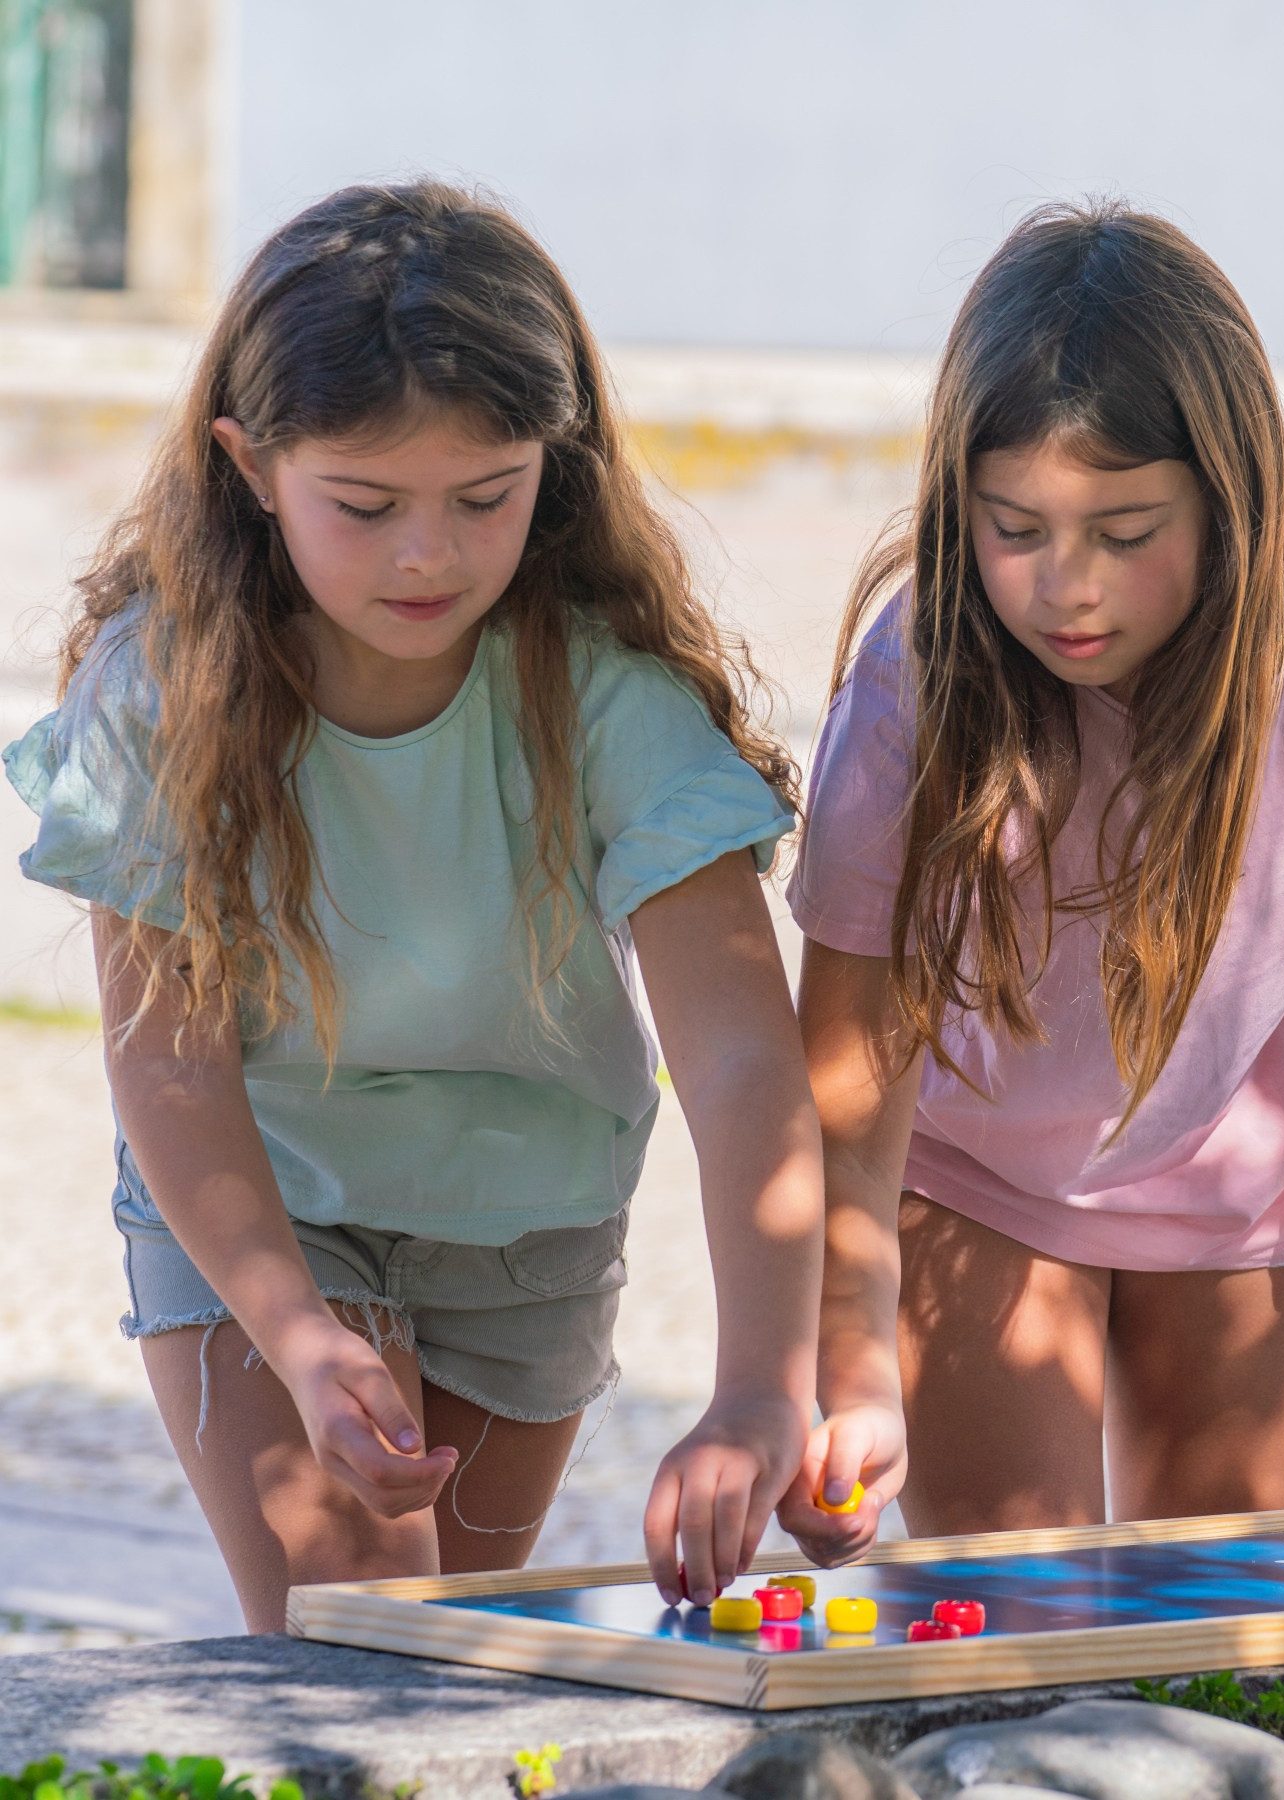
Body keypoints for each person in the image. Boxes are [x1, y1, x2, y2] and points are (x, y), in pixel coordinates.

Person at [4, 181, 823, 1626]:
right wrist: (296, 1333)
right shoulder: (161, 693)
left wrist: (764, 1389)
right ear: (249, 466)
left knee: (442, 1680)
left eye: (485, 497)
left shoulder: (611, 701)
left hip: (527, 1229)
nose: (427, 554)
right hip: (270, 1196)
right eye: (366, 506)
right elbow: (168, 1058)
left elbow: (747, 1055)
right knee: (364, 1634)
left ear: (551, 470)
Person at [777, 202, 1284, 1563]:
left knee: (1223, 1624)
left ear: (1232, 496)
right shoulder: (912, 677)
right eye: (1016, 529)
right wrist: (850, 1361)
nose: (1068, 589)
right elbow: (850, 1067)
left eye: (1124, 528)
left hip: (1248, 1170)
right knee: (1025, 1632)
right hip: (973, 1172)